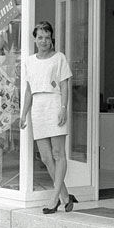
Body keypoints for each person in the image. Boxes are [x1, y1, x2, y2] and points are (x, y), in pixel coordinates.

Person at [20, 21, 78, 214]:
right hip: (37, 108)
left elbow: (64, 86)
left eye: (47, 36)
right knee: (45, 157)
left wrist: (63, 108)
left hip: (54, 104)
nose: (43, 40)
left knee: (58, 154)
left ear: (51, 38)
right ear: (35, 39)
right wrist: (23, 114)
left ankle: (55, 198)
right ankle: (65, 196)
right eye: (40, 37)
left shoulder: (59, 58)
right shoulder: (29, 61)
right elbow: (28, 90)